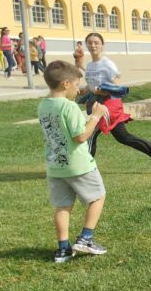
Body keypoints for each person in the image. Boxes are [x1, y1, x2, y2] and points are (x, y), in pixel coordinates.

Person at [38, 60, 110, 263]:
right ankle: (86, 238)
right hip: (78, 165)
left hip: (55, 166)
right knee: (97, 197)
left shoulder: (43, 105)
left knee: (62, 206)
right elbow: (80, 136)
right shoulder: (68, 107)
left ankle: (63, 249)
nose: (78, 91)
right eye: (77, 85)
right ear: (66, 84)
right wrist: (95, 116)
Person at [83, 32, 151, 169]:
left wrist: (102, 91)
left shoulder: (107, 64)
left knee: (90, 132)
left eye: (96, 42)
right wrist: (82, 91)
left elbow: (116, 86)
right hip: (99, 104)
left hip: (108, 105)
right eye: (90, 42)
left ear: (102, 45)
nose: (93, 45)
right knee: (123, 137)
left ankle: (85, 168)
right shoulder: (91, 65)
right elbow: (90, 84)